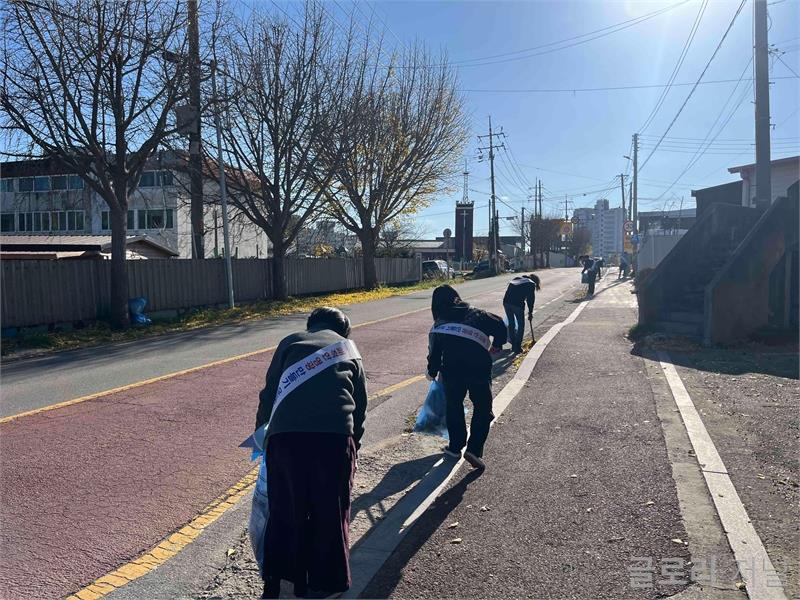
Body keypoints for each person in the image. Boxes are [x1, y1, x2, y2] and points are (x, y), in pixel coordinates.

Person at [254, 307, 367, 599]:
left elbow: (269, 394)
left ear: (311, 325)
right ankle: (327, 584)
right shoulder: (349, 349)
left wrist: (262, 435)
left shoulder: (291, 341)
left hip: (286, 439)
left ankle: (278, 582)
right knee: (330, 510)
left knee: (284, 509)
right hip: (333, 439)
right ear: (344, 329)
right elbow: (360, 404)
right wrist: (354, 444)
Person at [427, 285, 507, 470]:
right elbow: (500, 325)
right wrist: (497, 345)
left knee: (454, 406)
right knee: (483, 407)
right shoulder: (478, 314)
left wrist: (431, 371)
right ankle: (474, 449)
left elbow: (435, 354)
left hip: (451, 370)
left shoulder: (439, 324)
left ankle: (455, 447)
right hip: (478, 367)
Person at [502, 274, 541, 353]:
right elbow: (530, 299)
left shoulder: (516, 279)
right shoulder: (530, 283)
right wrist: (530, 312)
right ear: (535, 281)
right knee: (521, 325)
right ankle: (518, 346)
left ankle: (513, 345)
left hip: (506, 302)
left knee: (511, 324)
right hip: (517, 305)